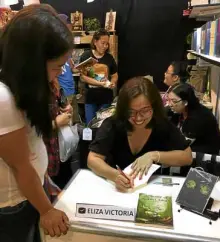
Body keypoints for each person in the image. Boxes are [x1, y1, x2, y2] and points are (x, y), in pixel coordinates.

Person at [0, 5, 73, 241]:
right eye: (56, 67)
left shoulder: (20, 88)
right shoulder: (3, 98)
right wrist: (46, 209)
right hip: (13, 206)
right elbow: (20, 165)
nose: (60, 72)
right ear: (31, 62)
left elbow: (31, 148)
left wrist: (45, 182)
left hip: (28, 195)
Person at [87, 77, 192, 192]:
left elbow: (187, 157)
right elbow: (93, 159)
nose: (138, 118)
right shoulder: (112, 125)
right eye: (131, 112)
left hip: (151, 189)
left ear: (154, 106)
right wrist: (114, 175)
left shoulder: (162, 125)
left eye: (145, 110)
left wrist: (154, 155)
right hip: (116, 190)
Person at [167, 83, 220, 155]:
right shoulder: (179, 109)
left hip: (204, 155)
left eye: (174, 101)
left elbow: (182, 145)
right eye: (168, 100)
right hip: (189, 148)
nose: (169, 104)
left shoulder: (198, 118)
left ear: (185, 102)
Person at [80, 29, 118, 124]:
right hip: (90, 99)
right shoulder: (86, 56)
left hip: (106, 99)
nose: (105, 46)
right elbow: (83, 77)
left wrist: (113, 82)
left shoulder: (109, 58)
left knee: (103, 126)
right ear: (95, 42)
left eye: (107, 44)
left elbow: (114, 75)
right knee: (90, 125)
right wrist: (100, 83)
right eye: (103, 43)